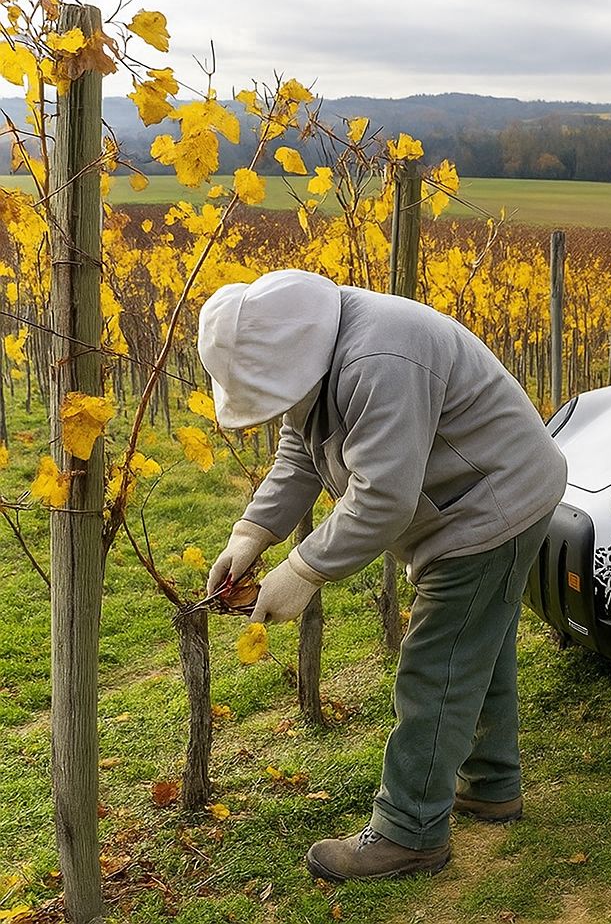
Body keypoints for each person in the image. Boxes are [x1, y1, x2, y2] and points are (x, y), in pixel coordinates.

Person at [196, 269, 567, 882]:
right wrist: (251, 534)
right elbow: (301, 451)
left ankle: (410, 831)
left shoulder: (380, 357)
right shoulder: (313, 349)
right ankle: (492, 785)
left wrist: (302, 570)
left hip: (493, 504)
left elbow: (383, 497)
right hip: (472, 498)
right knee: (477, 647)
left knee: (437, 667)